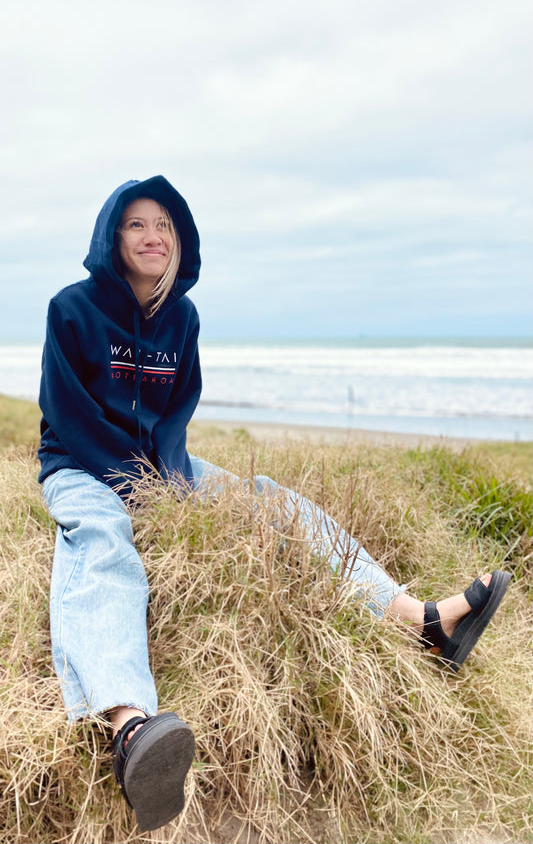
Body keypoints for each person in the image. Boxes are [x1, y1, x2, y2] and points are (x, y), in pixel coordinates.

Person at [38, 175, 510, 832]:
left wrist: (169, 484)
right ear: (111, 237)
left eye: (165, 226)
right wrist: (134, 491)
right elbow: (68, 414)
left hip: (159, 464)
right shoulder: (72, 309)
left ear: (181, 242)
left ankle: (419, 622)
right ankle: (130, 728)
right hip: (81, 466)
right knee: (103, 540)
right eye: (138, 224)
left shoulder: (182, 319)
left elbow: (175, 417)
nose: (153, 237)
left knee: (271, 500)